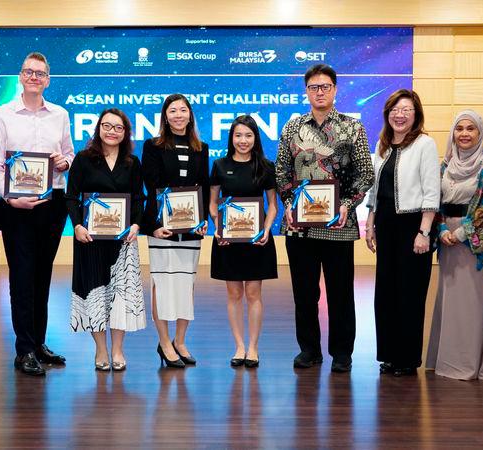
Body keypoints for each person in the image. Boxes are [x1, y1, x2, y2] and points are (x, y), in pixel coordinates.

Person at [275, 64, 374, 373]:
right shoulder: (292, 127)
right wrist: (290, 203)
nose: (319, 92)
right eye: (314, 87)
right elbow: (281, 170)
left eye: (325, 87)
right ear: (306, 91)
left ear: (335, 90)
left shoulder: (351, 127)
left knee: (341, 294)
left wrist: (347, 203)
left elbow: (365, 173)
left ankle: (342, 353)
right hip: (299, 227)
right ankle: (309, 350)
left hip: (338, 226)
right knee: (304, 295)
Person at [0, 52, 75, 376]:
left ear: (48, 79)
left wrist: (65, 162)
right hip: (16, 208)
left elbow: (68, 154)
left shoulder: (60, 115)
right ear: (21, 77)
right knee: (22, 278)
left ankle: (38, 343)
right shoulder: (2, 115)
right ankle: (23, 350)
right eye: (29, 72)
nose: (34, 77)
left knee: (43, 276)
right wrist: (10, 198)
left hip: (52, 205)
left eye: (40, 73)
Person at [364, 89, 440, 377]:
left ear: (416, 114)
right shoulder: (383, 146)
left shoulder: (424, 144)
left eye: (406, 109)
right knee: (386, 294)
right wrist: (370, 223)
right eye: (395, 109)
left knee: (409, 294)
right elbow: (375, 191)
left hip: (413, 227)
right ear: (387, 114)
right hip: (386, 226)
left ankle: (407, 359)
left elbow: (432, 191)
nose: (400, 114)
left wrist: (424, 231)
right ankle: (389, 355)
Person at [425, 110, 483, 381]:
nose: (465, 134)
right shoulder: (445, 167)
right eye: (459, 128)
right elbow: (435, 202)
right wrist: (444, 229)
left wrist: (459, 234)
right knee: (451, 303)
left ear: (480, 133)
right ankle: (447, 362)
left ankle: (473, 364)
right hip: (448, 241)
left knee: (474, 303)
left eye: (471, 129)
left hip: (474, 244)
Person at [65, 108, 146, 372]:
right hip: (89, 239)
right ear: (99, 128)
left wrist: (136, 224)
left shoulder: (132, 163)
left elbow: (138, 199)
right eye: (107, 126)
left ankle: (118, 350)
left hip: (122, 241)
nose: (112, 131)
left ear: (125, 133)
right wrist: (76, 225)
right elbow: (72, 196)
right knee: (95, 294)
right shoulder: (83, 159)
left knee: (121, 296)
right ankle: (100, 349)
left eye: (118, 128)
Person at [141, 93, 209, 369]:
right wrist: (155, 226)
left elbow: (202, 186)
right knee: (162, 284)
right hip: (162, 229)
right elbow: (151, 186)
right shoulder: (153, 146)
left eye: (183, 110)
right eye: (173, 111)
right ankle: (164, 341)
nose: (179, 115)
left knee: (186, 284)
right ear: (165, 117)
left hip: (191, 230)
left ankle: (180, 341)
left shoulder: (200, 148)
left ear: (190, 115)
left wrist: (202, 219)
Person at [209, 115, 278, 368]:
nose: (243, 140)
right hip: (229, 241)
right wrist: (218, 228)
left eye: (248, 135)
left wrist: (267, 229)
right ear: (231, 138)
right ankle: (239, 346)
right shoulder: (219, 165)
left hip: (257, 240)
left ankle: (253, 347)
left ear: (255, 138)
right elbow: (212, 203)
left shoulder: (265, 166)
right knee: (234, 293)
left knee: (253, 293)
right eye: (238, 135)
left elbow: (272, 205)